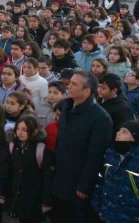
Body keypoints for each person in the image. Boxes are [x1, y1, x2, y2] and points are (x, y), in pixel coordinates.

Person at [51, 71, 113, 223]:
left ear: (86, 91)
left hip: (78, 183)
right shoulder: (67, 106)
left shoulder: (100, 118)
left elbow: (96, 155)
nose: (69, 86)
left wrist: (84, 185)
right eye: (70, 82)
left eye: (74, 84)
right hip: (60, 177)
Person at [91, 121, 139, 223]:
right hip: (107, 215)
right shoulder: (110, 156)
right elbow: (101, 181)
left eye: (124, 132)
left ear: (135, 137)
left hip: (132, 218)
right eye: (119, 130)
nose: (118, 133)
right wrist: (97, 207)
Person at [7, 115, 55, 223]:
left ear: (34, 131)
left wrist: (46, 201)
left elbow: (47, 177)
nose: (20, 132)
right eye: (18, 129)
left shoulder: (41, 149)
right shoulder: (13, 145)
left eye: (24, 130)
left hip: (34, 198)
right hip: (18, 194)